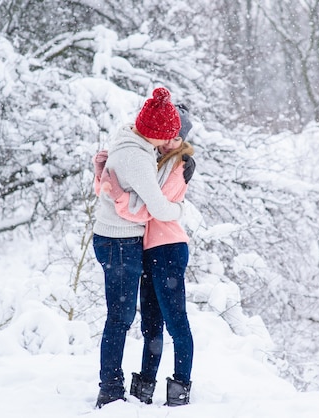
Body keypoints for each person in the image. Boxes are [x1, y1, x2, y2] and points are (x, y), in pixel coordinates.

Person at [91, 87, 186, 409]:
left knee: (119, 317)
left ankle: (112, 386)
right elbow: (158, 208)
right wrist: (178, 211)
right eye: (168, 136)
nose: (168, 144)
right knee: (119, 318)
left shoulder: (126, 142)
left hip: (115, 240)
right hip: (120, 242)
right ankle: (110, 390)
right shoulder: (137, 158)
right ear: (157, 134)